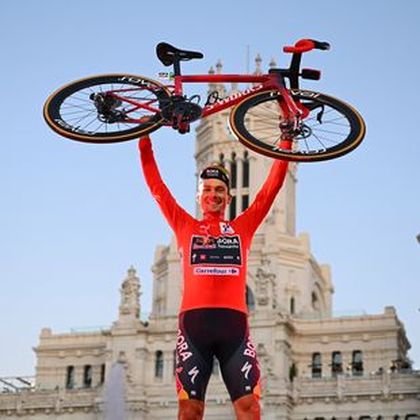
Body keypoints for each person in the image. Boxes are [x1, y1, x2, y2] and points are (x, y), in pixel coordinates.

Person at [138, 135, 291, 420]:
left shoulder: (243, 228)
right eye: (207, 189)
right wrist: (144, 140)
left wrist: (286, 142)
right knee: (189, 411)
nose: (213, 194)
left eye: (219, 189)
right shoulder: (185, 225)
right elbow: (156, 187)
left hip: (235, 329)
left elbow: (271, 189)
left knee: (250, 409)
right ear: (198, 196)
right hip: (194, 330)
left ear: (228, 197)